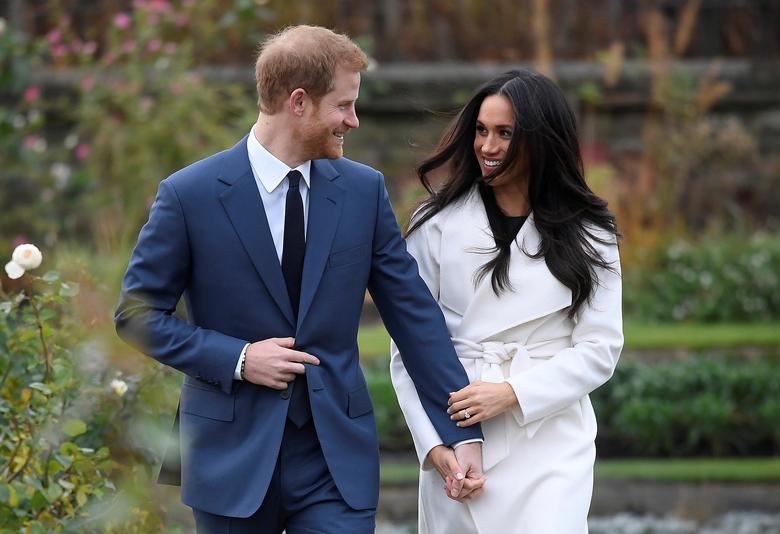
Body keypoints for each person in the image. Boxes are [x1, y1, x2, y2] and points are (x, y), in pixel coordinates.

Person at [115, 25, 483, 533]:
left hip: (335, 461)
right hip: (230, 458)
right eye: (344, 106)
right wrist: (240, 359)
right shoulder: (189, 195)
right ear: (299, 102)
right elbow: (136, 316)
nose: (353, 120)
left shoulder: (362, 190)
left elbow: (415, 316)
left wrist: (462, 431)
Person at [390, 69, 624, 533]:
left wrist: (514, 394)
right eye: (480, 130)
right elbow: (409, 346)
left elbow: (601, 350)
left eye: (504, 133)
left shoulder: (590, 232)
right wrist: (433, 443)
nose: (487, 146)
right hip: (457, 433)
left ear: (540, 140)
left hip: (549, 440)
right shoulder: (434, 225)